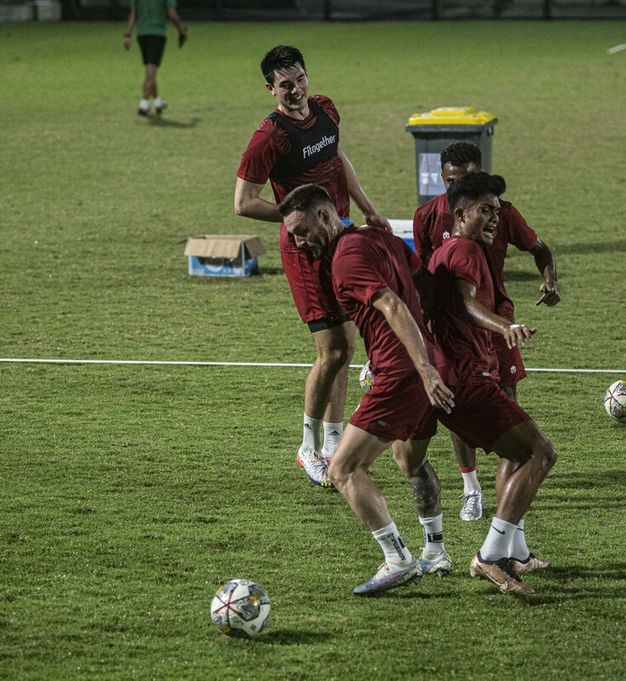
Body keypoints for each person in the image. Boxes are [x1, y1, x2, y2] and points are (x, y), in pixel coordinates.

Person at [278, 183, 455, 595]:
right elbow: (422, 281)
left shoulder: (345, 260)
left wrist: (423, 368)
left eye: (302, 232)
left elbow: (392, 305)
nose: (300, 244)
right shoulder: (379, 236)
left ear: (325, 216)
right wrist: (434, 353)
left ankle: (398, 559)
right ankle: (435, 551)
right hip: (419, 363)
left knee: (342, 468)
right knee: (408, 459)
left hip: (402, 372)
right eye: (293, 237)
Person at [234, 45, 391, 486]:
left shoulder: (325, 110)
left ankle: (333, 443)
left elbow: (338, 161)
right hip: (305, 251)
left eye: (300, 79)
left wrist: (368, 208)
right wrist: (294, 217)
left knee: (346, 347)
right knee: (334, 351)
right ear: (271, 89)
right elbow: (243, 203)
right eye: (285, 84)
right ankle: (308, 447)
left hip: (339, 240)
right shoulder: (269, 138)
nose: (296, 90)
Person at [424, 172, 558, 596]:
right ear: (460, 214)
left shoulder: (456, 248)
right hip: (466, 380)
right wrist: (505, 327)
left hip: (458, 375)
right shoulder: (464, 249)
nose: (495, 219)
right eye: (486, 210)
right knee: (540, 454)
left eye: (497, 212)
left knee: (518, 454)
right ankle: (490, 554)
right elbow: (465, 304)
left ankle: (511, 551)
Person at [122, 0, 187, 117]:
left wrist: (128, 34)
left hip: (142, 34)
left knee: (150, 68)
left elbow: (133, 13)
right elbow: (172, 15)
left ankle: (158, 103)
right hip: (157, 34)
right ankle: (144, 104)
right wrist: (181, 29)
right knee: (151, 71)